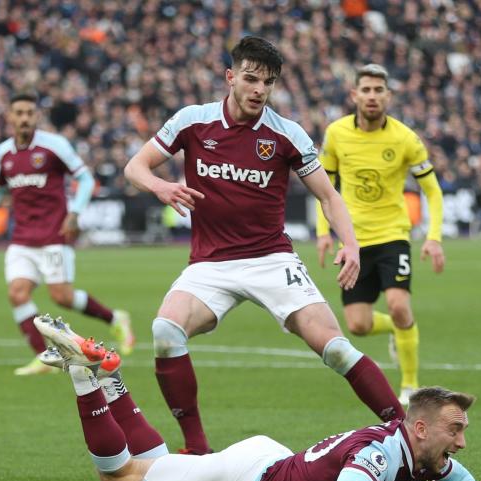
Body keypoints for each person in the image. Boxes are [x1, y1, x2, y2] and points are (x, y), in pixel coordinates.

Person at [123, 36, 403, 455]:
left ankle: (404, 432)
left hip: (272, 259)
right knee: (165, 330)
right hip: (210, 264)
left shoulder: (285, 134)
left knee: (335, 349)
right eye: (251, 79)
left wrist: (351, 244)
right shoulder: (192, 121)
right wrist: (161, 186)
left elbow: (329, 196)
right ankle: (197, 447)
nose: (259, 90)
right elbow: (135, 166)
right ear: (230, 77)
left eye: (267, 83)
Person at [34, 315, 481, 481]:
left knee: (151, 467)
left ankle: (111, 376)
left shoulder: (419, 448)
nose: (461, 442)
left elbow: (457, 475)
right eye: (455, 430)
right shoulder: (379, 452)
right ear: (421, 427)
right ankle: (85, 375)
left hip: (269, 461)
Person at [0, 91, 135, 376]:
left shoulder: (55, 146)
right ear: (9, 117)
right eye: (18, 113)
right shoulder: (4, 153)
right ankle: (45, 357)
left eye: (29, 113)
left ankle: (115, 317)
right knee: (17, 294)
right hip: (21, 237)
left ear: (36, 116)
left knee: (62, 297)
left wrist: (75, 212)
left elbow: (84, 179)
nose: (24, 118)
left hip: (54, 233)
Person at [316, 64, 447, 407]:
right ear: (354, 95)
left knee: (399, 304)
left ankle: (410, 385)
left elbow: (432, 190)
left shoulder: (406, 139)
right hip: (353, 240)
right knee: (357, 325)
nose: (372, 96)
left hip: (393, 235)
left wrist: (433, 237)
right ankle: (397, 330)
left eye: (379, 90)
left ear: (388, 96)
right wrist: (322, 232)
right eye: (367, 90)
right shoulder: (336, 134)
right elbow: (324, 187)